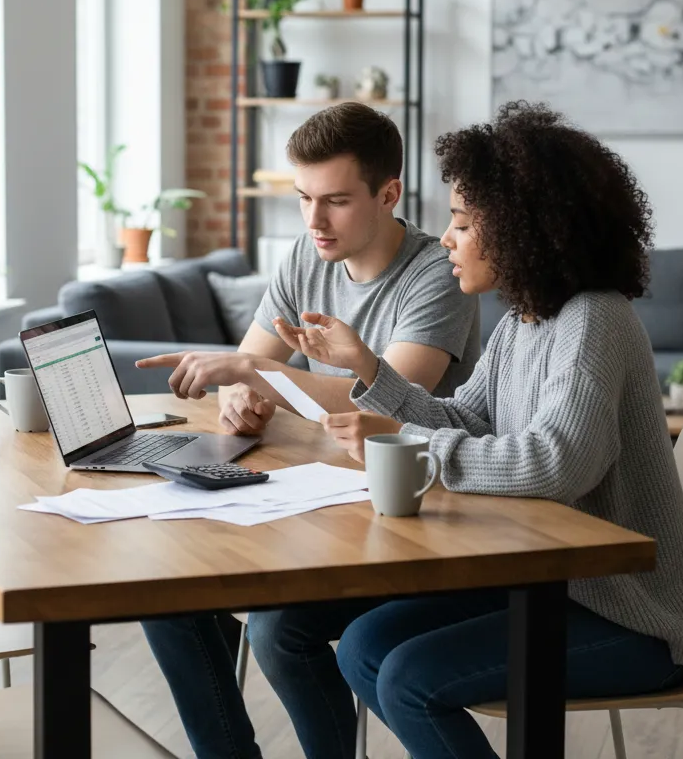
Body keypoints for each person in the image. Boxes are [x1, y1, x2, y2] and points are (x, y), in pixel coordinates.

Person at [273, 101, 683, 759]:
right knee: (366, 647)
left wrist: (411, 447)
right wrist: (370, 374)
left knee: (407, 678)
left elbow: (555, 464)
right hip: (545, 580)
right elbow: (467, 417)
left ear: (520, 228)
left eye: (462, 223)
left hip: (631, 613)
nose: (446, 238)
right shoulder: (524, 321)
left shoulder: (595, 319)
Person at [134, 101, 480, 759]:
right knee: (163, 587)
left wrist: (255, 374)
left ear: (389, 193)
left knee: (274, 630)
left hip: (412, 516)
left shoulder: (439, 273)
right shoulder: (306, 255)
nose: (314, 220)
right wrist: (242, 396)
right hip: (314, 500)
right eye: (303, 198)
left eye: (336, 201)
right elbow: (252, 364)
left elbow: (392, 406)